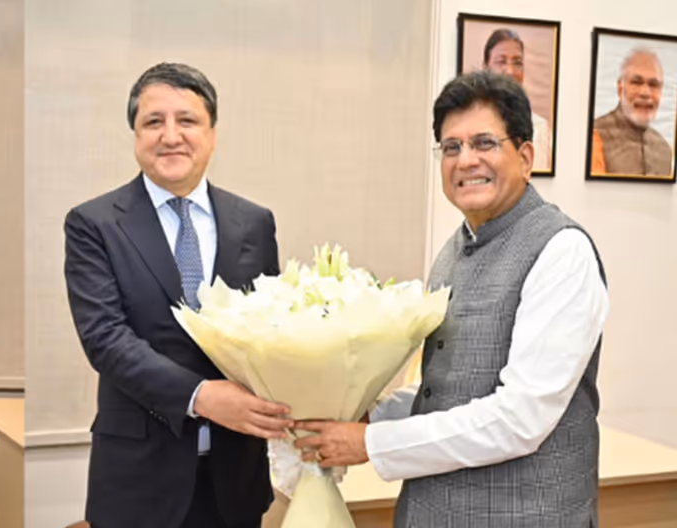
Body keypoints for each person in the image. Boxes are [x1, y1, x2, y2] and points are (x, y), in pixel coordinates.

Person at [293, 71, 609, 527]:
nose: (465, 160)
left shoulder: (562, 251)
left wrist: (371, 444)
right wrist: (365, 412)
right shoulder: (454, 249)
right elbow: (444, 387)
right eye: (451, 147)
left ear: (525, 156)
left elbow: (520, 419)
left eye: (484, 143)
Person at [64, 63, 291, 528]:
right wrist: (201, 396)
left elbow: (272, 331)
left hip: (235, 478)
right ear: (135, 135)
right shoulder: (94, 224)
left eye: (187, 121)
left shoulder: (254, 222)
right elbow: (106, 340)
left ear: (211, 133)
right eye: (153, 122)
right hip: (137, 480)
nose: (171, 136)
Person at [590, 46, 674, 177]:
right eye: (636, 82)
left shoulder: (664, 149)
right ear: (620, 88)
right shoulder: (596, 135)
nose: (645, 93)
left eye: (653, 84)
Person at [481, 28, 552, 172]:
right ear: (485, 68)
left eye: (517, 63)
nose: (510, 71)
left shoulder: (539, 127)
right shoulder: (472, 123)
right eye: (501, 62)